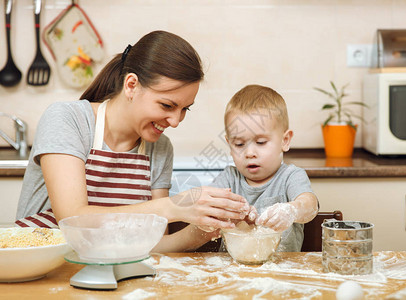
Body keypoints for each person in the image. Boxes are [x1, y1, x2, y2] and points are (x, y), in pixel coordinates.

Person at [15, 30, 250, 252]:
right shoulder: (68, 120)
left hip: (107, 268)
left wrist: (204, 229)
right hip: (39, 266)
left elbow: (155, 244)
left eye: (184, 109)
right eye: (167, 105)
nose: (176, 121)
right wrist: (174, 206)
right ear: (131, 86)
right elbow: (71, 218)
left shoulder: (160, 148)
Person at [210, 84, 319, 251]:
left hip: (280, 270)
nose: (250, 153)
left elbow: (310, 206)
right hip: (232, 271)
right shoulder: (228, 178)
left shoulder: (291, 176)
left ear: (285, 140)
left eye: (260, 142)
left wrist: (291, 210)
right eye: (239, 144)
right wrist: (226, 214)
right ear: (229, 144)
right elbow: (204, 209)